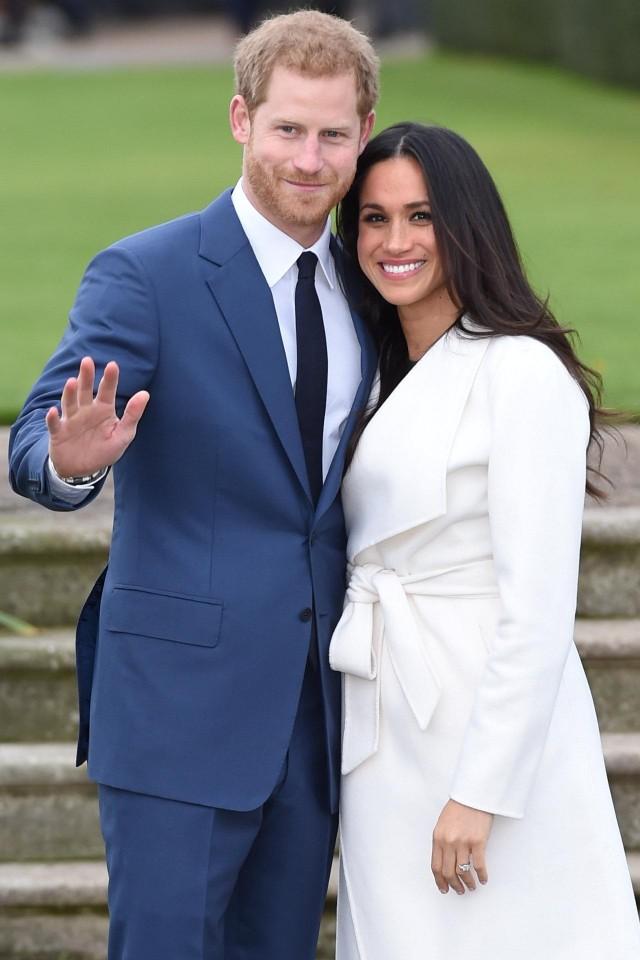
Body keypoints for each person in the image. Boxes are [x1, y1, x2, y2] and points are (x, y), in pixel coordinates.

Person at [8, 11, 378, 959]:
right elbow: (33, 440)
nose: (310, 156)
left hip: (316, 719)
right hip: (176, 713)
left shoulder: (372, 288)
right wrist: (68, 462)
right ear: (240, 120)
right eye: (288, 127)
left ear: (363, 136)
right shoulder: (148, 273)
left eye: (333, 133)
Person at [329, 122, 640, 959]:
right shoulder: (368, 375)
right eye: (373, 217)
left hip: (486, 733)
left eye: (421, 216)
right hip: (383, 723)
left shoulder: (521, 373)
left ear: (467, 225)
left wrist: (481, 791)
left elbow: (537, 611)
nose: (395, 242)